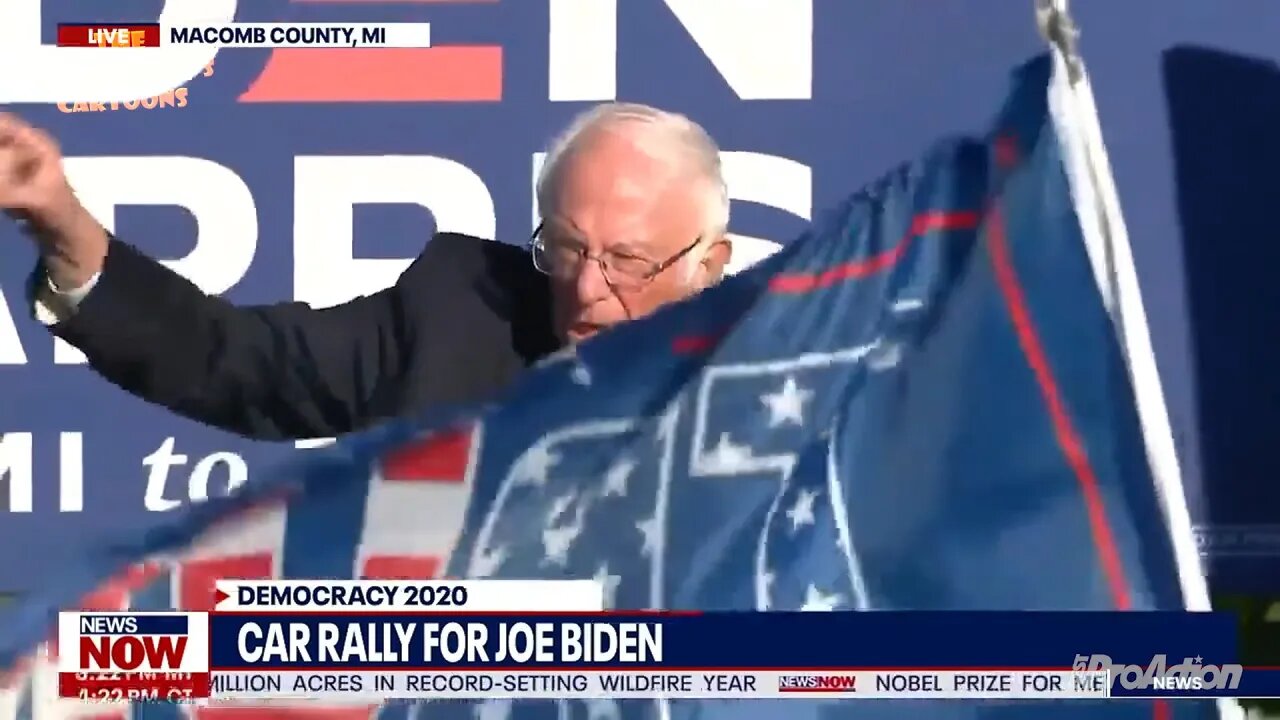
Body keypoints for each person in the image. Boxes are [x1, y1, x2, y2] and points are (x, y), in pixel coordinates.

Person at [0, 104, 733, 440]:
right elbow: (233, 360)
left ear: (710, 264)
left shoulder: (780, 365)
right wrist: (65, 227)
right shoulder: (457, 311)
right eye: (567, 248)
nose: (584, 288)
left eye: (628, 262)